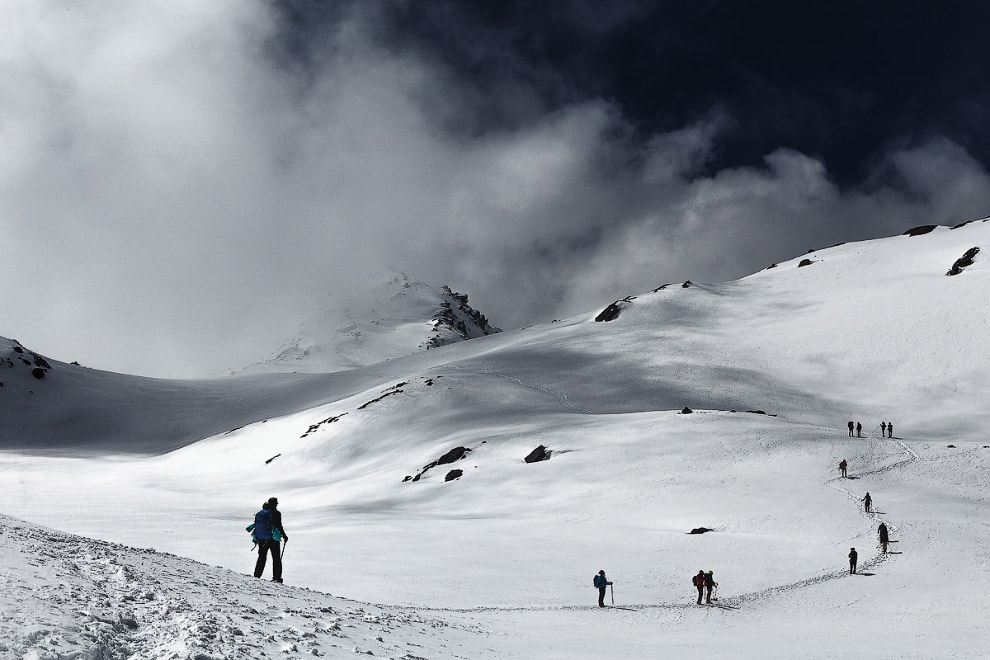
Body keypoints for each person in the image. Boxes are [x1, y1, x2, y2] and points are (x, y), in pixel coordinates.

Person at [254, 496, 288, 583]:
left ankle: (257, 575)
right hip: (273, 539)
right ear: (275, 504)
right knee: (276, 558)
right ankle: (276, 578)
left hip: (263, 539)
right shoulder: (276, 513)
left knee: (262, 557)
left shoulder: (262, 513)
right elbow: (279, 525)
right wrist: (284, 536)